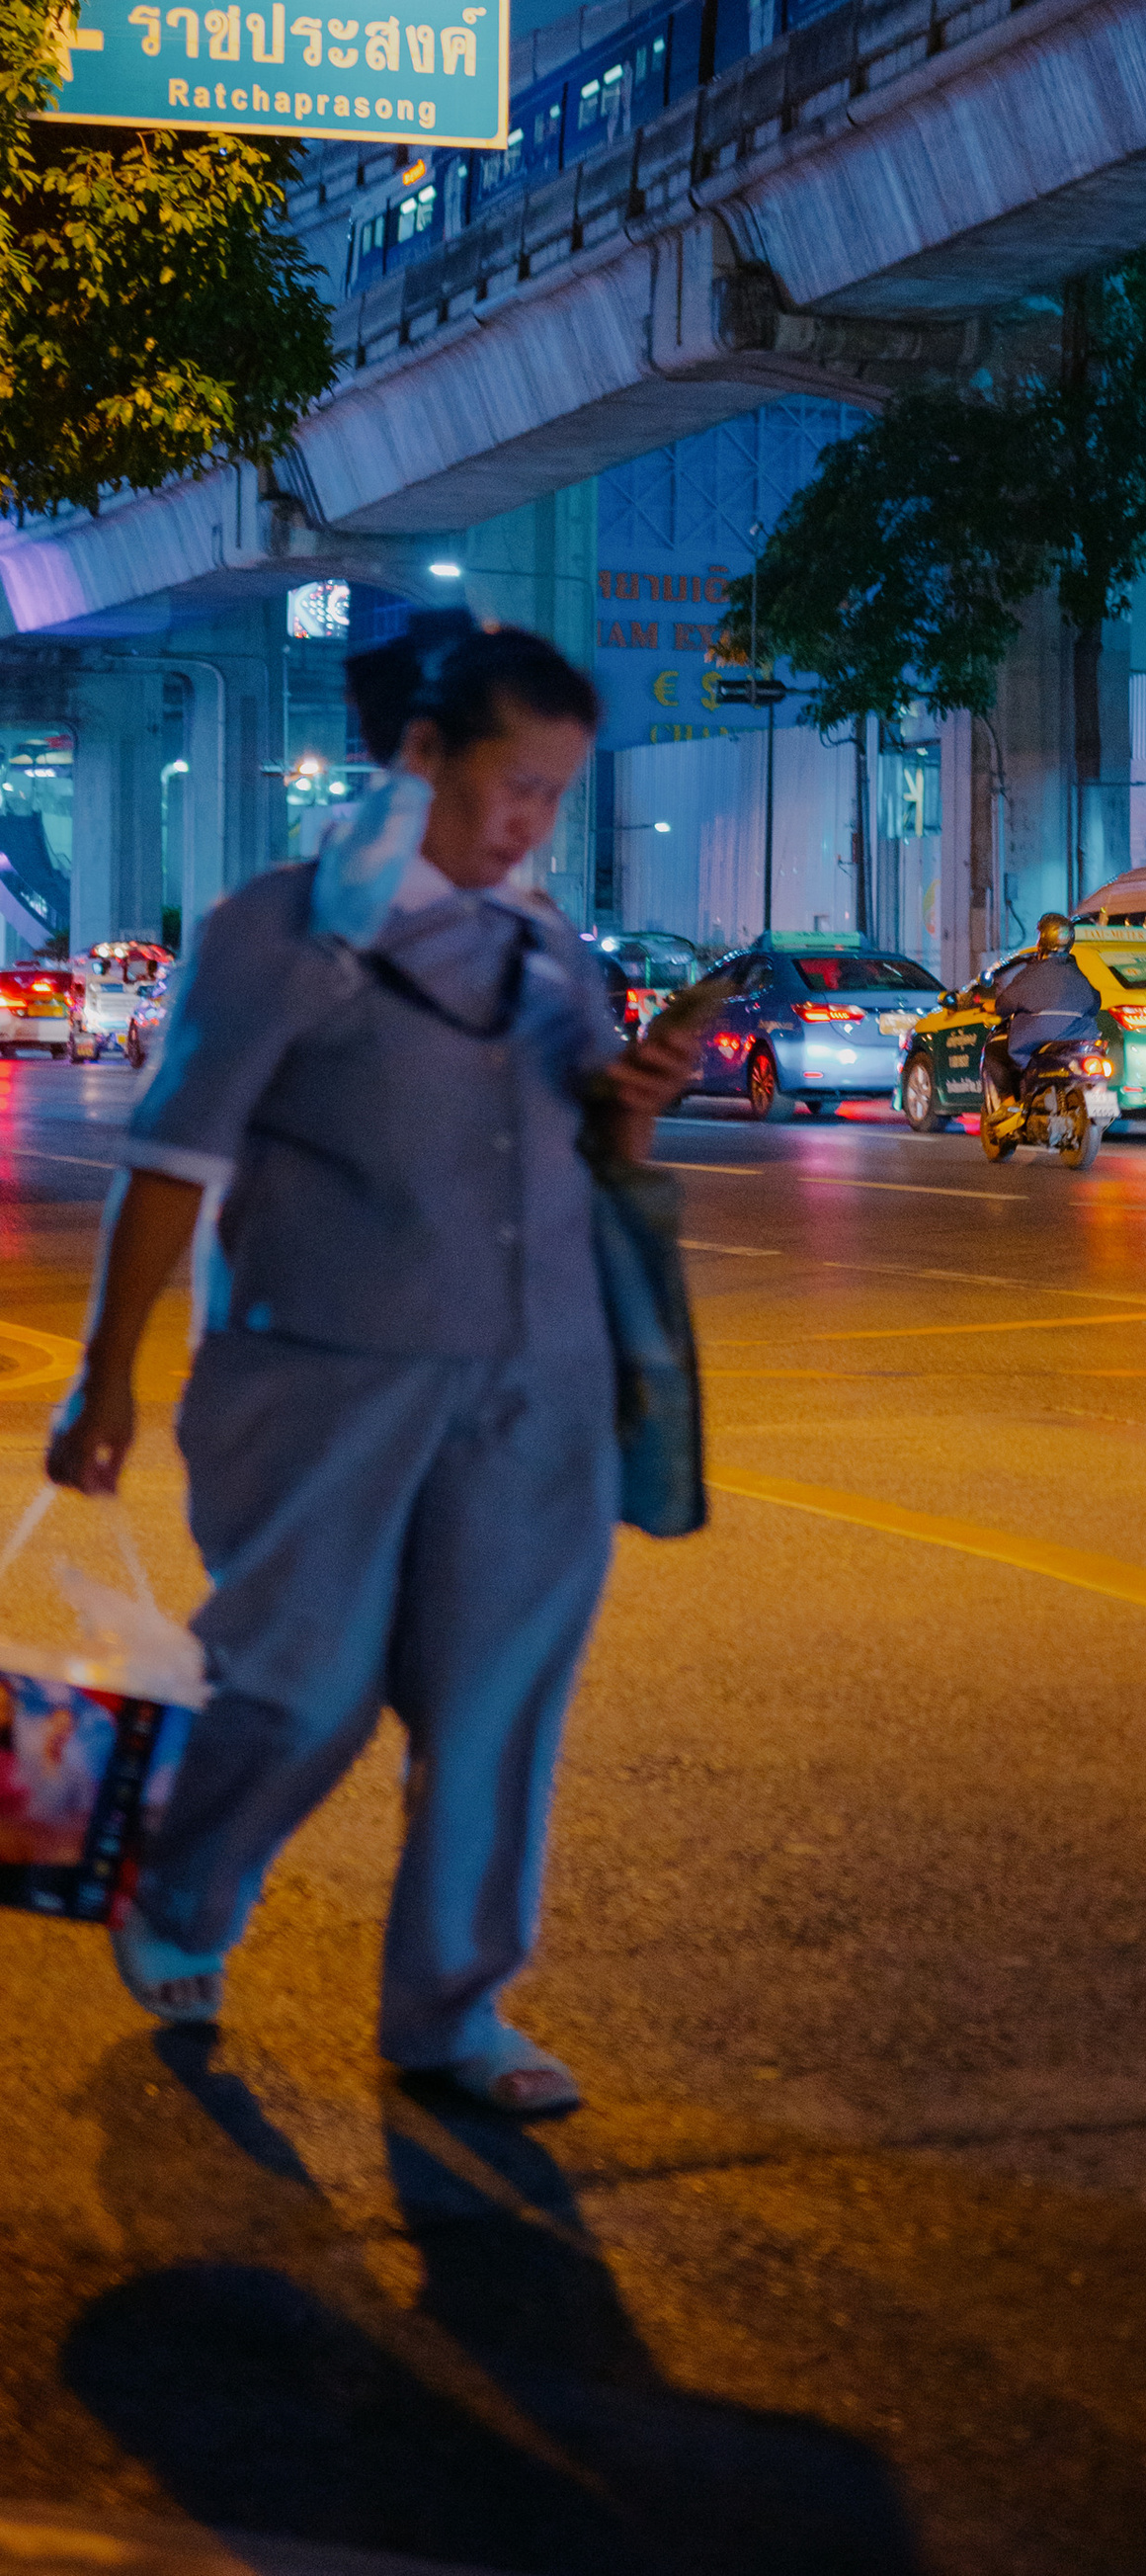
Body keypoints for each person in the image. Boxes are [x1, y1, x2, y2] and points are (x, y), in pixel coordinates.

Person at [45, 625, 696, 2116]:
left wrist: (636, 1106)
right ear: (422, 753)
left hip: (538, 1384)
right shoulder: (281, 931)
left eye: (555, 793)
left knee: (495, 1699)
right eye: (511, 782)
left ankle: (453, 2014)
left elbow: (593, 1161)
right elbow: (170, 1158)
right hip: (322, 1379)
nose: (530, 820)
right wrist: (107, 1376)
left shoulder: (548, 951)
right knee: (297, 1684)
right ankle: (183, 1886)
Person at [980, 912, 1104, 1138]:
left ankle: (1009, 1105)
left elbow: (1005, 1003)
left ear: (1042, 941)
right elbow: (1095, 1003)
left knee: (995, 1051)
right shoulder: (1077, 972)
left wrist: (992, 1006)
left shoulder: (1032, 973)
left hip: (1038, 1040)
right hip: (1079, 1040)